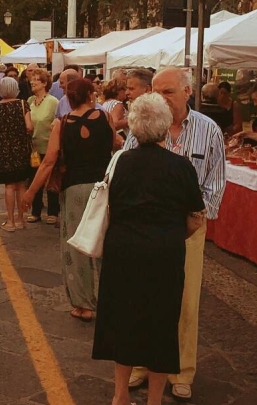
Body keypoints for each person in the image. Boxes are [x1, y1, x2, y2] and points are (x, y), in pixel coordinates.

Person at [93, 93, 205, 405]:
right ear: (166, 126)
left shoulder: (121, 163)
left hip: (123, 251)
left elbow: (111, 208)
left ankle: (120, 394)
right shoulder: (181, 167)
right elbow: (195, 218)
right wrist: (172, 234)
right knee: (161, 325)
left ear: (132, 127)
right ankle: (155, 398)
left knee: (124, 320)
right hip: (164, 253)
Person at [125, 66, 226, 401]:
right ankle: (139, 363)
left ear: (187, 92)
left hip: (188, 227)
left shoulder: (209, 130)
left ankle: (182, 371)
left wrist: (194, 221)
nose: (160, 98)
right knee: (142, 296)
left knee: (184, 302)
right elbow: (126, 165)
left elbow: (215, 183)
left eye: (167, 91)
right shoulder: (143, 125)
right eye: (156, 91)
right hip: (147, 226)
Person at [23, 78, 114, 321]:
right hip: (104, 189)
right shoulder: (106, 118)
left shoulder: (62, 125)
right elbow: (115, 144)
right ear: (90, 95)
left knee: (76, 245)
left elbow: (49, 162)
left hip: (75, 189)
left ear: (69, 99)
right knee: (107, 243)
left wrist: (31, 192)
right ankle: (111, 300)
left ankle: (83, 305)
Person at [0, 76, 34, 231]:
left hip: (5, 151)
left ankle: (10, 221)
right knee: (21, 185)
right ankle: (21, 220)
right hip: (21, 149)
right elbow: (29, 127)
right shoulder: (23, 104)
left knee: (9, 186)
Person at [26, 69, 59, 224]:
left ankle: (53, 212)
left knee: (51, 180)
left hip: (49, 147)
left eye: (36, 80)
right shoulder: (30, 101)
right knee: (34, 179)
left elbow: (57, 123)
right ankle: (36, 211)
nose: (32, 82)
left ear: (45, 83)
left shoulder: (53, 102)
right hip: (33, 149)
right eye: (32, 80)